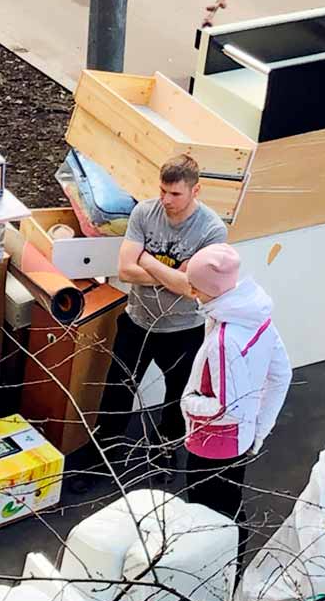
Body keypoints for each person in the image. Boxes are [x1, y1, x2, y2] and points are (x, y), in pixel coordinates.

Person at [93, 153, 228, 480]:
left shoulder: (211, 230)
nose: (166, 200)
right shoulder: (144, 212)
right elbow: (126, 271)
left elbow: (189, 286)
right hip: (137, 321)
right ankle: (105, 454)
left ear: (196, 191)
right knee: (117, 388)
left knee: (177, 396)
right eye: (163, 191)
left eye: (175, 194)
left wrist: (149, 261)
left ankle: (166, 449)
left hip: (183, 329)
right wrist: (171, 274)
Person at [176, 245, 291, 520]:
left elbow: (228, 407)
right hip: (241, 439)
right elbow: (282, 375)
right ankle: (235, 561)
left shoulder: (224, 341)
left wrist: (188, 403)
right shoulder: (256, 317)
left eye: (195, 286)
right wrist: (259, 429)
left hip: (212, 443)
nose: (192, 292)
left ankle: (221, 561)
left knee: (207, 516)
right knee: (231, 507)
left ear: (209, 288)